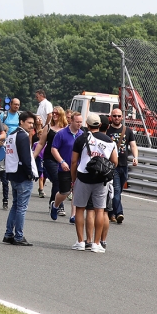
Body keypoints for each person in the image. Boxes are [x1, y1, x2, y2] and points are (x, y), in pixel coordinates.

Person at [69, 113, 118, 252]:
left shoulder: (81, 139)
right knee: (100, 210)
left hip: (83, 176)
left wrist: (73, 179)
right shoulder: (109, 140)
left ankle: (80, 242)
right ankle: (97, 243)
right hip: (101, 179)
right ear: (100, 125)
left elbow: (73, 161)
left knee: (80, 208)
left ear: (87, 125)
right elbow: (115, 161)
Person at [2, 111, 41, 246]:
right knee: (21, 208)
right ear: (21, 122)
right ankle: (18, 236)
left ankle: (8, 234)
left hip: (13, 173)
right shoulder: (23, 136)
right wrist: (30, 174)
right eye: (29, 123)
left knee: (16, 205)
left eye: (33, 123)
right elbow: (25, 158)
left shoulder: (12, 135)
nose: (31, 126)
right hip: (23, 176)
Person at [50, 111, 83, 222]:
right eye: (77, 122)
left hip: (78, 168)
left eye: (81, 122)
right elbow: (54, 149)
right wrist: (61, 161)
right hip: (65, 167)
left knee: (76, 191)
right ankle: (55, 205)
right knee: (65, 192)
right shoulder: (61, 133)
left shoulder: (83, 135)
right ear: (71, 121)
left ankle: (73, 215)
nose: (79, 124)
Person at [105, 108, 137, 224]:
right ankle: (119, 213)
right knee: (116, 190)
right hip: (112, 165)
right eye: (114, 116)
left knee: (118, 191)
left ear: (122, 117)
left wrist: (135, 157)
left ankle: (111, 212)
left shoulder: (127, 131)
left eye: (118, 116)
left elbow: (133, 146)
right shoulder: (107, 130)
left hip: (124, 165)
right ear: (111, 117)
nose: (116, 118)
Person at [0, 98, 22, 210]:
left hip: (14, 147)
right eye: (15, 104)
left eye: (18, 105)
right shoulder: (3, 115)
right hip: (2, 146)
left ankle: (5, 200)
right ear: (10, 104)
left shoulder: (20, 116)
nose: (17, 106)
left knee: (6, 177)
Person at [40, 107, 67, 203]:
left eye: (57, 113)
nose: (54, 115)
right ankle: (54, 203)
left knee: (61, 181)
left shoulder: (66, 128)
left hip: (63, 158)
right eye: (53, 113)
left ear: (61, 115)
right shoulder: (48, 127)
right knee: (57, 179)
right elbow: (41, 143)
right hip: (49, 157)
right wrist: (34, 156)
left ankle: (56, 203)